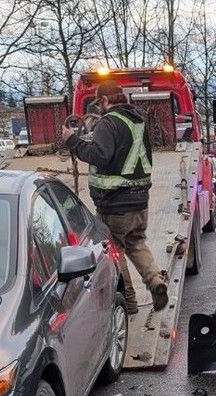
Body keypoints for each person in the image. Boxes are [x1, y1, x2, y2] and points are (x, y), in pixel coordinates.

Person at [61, 82, 168, 316]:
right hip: (140, 200)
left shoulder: (108, 123)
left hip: (114, 204)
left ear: (105, 101)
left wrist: (72, 141)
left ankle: (128, 300)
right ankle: (155, 281)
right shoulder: (137, 121)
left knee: (114, 251)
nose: (99, 108)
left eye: (99, 103)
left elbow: (100, 155)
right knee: (137, 243)